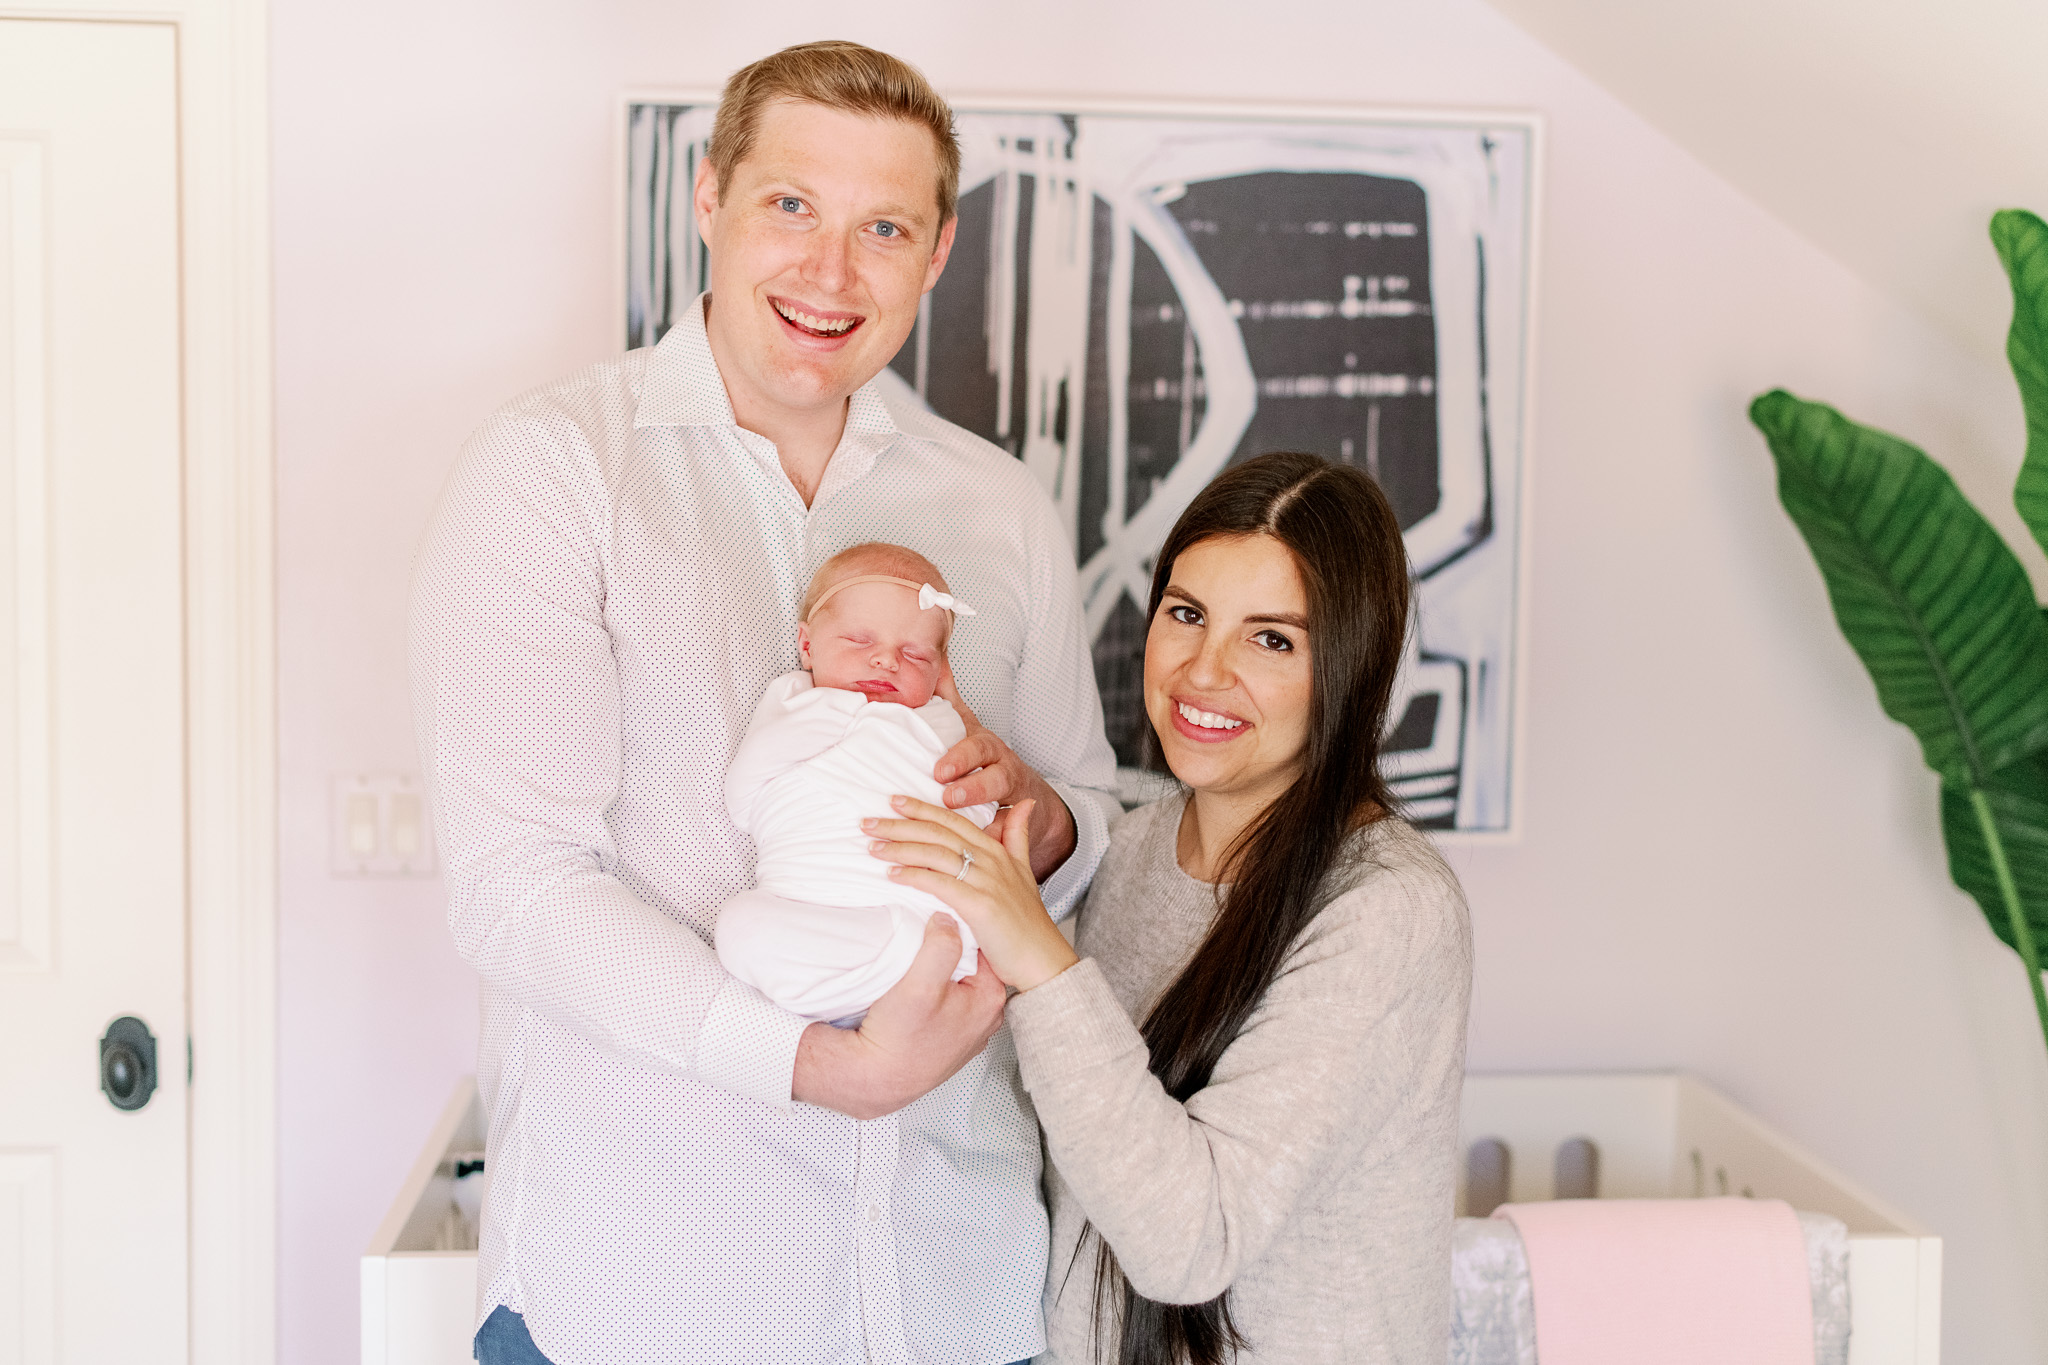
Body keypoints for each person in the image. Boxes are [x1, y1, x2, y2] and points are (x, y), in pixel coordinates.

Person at [410, 40, 1120, 1365]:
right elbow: (518, 887)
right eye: (792, 204)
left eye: (883, 227)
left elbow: (1089, 820)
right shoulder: (556, 473)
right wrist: (817, 1065)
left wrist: (1044, 815)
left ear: (937, 252)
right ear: (710, 197)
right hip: (649, 1302)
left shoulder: (999, 506)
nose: (831, 272)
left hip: (962, 1295)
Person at [869, 451, 1474, 1365]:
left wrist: (1039, 954)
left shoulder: (1391, 909)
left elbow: (1189, 1241)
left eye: (1272, 640)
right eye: (1186, 614)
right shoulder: (1136, 847)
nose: (1203, 670)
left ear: (1351, 669)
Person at [715, 542, 998, 1023]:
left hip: (924, 910)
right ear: (808, 646)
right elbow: (742, 801)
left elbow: (977, 806)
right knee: (740, 927)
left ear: (939, 671)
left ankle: (905, 971)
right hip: (820, 911)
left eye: (914, 654)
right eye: (860, 641)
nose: (887, 661)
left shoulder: (943, 722)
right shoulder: (792, 702)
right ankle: (891, 983)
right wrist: (842, 715)